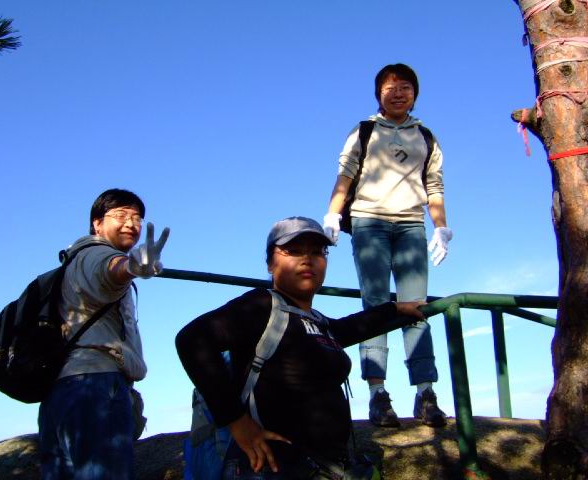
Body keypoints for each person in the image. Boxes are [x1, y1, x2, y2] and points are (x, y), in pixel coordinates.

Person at [175, 216, 425, 479]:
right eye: (293, 251)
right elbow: (192, 340)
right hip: (274, 468)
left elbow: (349, 327)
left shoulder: (318, 321)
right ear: (270, 264)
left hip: (329, 465)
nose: (307, 259)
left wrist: (394, 308)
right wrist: (236, 421)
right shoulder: (262, 305)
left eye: (317, 252)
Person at [323, 63, 453, 428]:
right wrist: (332, 214)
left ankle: (425, 392)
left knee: (417, 308)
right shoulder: (364, 130)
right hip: (369, 222)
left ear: (415, 93)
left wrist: (441, 227)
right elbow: (345, 175)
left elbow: (434, 186)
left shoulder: (426, 136)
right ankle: (377, 394)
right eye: (390, 87)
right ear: (378, 94)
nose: (398, 93)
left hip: (411, 224)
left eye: (406, 87)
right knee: (377, 307)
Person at [38, 188, 169, 480]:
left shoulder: (73, 259)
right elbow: (110, 271)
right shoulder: (96, 254)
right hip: (96, 386)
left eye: (137, 217)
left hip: (61, 390)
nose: (131, 223)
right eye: (120, 215)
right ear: (97, 223)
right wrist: (131, 267)